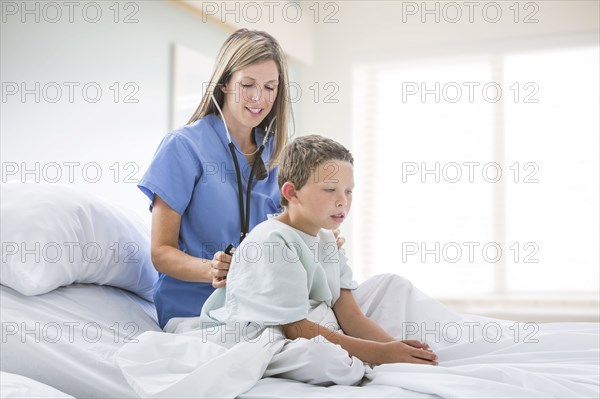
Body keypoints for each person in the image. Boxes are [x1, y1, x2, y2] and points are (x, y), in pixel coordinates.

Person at [200, 135, 438, 386]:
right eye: (329, 189)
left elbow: (350, 314)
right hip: (267, 329)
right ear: (292, 192)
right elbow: (295, 329)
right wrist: (382, 354)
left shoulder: (326, 239)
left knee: (392, 285)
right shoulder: (272, 240)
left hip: (309, 320)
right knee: (325, 360)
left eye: (348, 191)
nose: (343, 201)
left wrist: (394, 349)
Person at [138, 29, 298, 329]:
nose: (258, 98)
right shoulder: (183, 147)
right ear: (224, 84)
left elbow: (290, 230)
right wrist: (213, 269)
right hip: (194, 310)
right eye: (247, 84)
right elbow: (161, 253)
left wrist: (317, 236)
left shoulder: (276, 154)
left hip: (259, 305)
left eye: (269, 87)